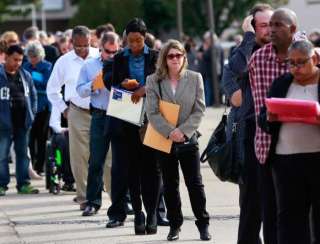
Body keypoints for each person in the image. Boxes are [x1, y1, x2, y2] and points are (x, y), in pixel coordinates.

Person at [145, 39, 211, 241]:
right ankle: (175, 225)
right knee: (170, 185)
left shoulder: (195, 78)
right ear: (164, 59)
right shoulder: (153, 80)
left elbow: (199, 109)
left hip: (188, 139)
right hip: (164, 139)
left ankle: (203, 224)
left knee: (195, 184)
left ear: (184, 57)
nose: (175, 59)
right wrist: (170, 132)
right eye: (171, 55)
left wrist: (183, 131)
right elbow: (152, 112)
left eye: (179, 55)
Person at [221, 4, 275, 244]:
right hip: (251, 131)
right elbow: (239, 73)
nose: (269, 30)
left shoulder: (285, 52)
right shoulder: (242, 53)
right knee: (251, 201)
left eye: (272, 24)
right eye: (262, 25)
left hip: (281, 132)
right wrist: (249, 39)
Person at [259, 39, 320, 244]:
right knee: (289, 218)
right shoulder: (282, 82)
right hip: (286, 161)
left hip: (317, 159)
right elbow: (263, 116)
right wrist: (268, 117)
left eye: (301, 62)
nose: (296, 68)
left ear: (315, 59)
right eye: (291, 63)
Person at [107, 18, 161, 235]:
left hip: (152, 118)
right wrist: (123, 84)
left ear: (145, 37)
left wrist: (145, 88)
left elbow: (163, 80)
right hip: (127, 117)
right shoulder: (120, 58)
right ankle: (138, 214)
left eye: (138, 41)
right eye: (131, 41)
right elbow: (112, 83)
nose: (135, 45)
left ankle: (153, 213)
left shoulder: (156, 56)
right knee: (132, 168)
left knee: (152, 168)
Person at [46, 26, 99, 210]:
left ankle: (112, 194)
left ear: (91, 40)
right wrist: (64, 109)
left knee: (106, 154)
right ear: (71, 43)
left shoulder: (99, 57)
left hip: (101, 111)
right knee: (79, 156)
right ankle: (84, 197)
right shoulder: (64, 62)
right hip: (76, 111)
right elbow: (52, 90)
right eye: (78, 46)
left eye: (86, 45)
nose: (83, 49)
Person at [76, 31, 120, 216]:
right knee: (96, 160)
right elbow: (80, 90)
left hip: (119, 114)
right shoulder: (89, 65)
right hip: (100, 115)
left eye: (115, 51)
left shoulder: (122, 63)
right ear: (100, 48)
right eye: (108, 52)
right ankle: (93, 202)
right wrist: (93, 85)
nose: (111, 55)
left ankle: (122, 202)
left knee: (121, 161)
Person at [0, 45, 39, 196]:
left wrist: (32, 114)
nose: (17, 63)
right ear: (6, 57)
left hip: (22, 122)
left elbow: (34, 96)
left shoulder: (26, 75)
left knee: (23, 154)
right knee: (2, 155)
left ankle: (23, 184)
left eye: (20, 60)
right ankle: (2, 184)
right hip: (3, 123)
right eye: (15, 59)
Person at [23, 42, 52, 174]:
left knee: (41, 137)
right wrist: (36, 79)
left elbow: (47, 83)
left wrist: (32, 77)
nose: (32, 59)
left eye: (34, 56)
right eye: (30, 56)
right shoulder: (25, 65)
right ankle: (30, 166)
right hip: (28, 107)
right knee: (30, 137)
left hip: (43, 107)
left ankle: (40, 166)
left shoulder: (47, 66)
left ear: (40, 55)